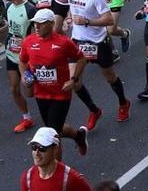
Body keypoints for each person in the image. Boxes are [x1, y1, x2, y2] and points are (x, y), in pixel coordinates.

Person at [18, 9, 92, 153]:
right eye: (34, 24)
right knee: (52, 128)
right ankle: (78, 136)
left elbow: (82, 58)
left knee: (51, 136)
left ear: (51, 24)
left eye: (41, 24)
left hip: (60, 95)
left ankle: (55, 171)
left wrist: (74, 79)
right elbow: (22, 61)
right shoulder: (29, 41)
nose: (36, 27)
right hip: (41, 93)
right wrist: (24, 75)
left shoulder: (63, 43)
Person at [66, 0, 131, 124]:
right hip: (78, 41)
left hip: (97, 42)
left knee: (110, 78)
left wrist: (87, 21)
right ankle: (94, 110)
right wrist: (69, 17)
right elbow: (72, 8)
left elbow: (109, 19)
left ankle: (123, 102)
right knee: (74, 81)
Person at [2, 0, 38, 132]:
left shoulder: (30, 10)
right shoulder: (8, 7)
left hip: (27, 58)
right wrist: (0, 32)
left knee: (29, 92)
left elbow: (38, 33)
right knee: (14, 89)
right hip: (11, 54)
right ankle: (27, 118)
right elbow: (10, 26)